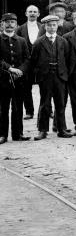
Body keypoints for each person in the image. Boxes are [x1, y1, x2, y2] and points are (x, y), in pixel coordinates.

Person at [1, 13, 31, 142]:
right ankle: (2, 135)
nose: (9, 25)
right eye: (6, 22)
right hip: (2, 80)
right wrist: (9, 68)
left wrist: (20, 70)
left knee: (18, 107)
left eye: (12, 22)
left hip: (19, 80)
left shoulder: (21, 40)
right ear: (1, 24)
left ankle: (18, 134)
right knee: (3, 107)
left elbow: (27, 59)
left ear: (16, 25)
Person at [16, 4, 42, 122]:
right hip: (26, 63)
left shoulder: (43, 27)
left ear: (38, 14)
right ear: (26, 14)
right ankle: (29, 111)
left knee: (45, 87)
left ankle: (47, 110)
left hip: (40, 63)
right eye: (30, 11)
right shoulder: (20, 29)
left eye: (34, 12)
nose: (32, 13)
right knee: (26, 87)